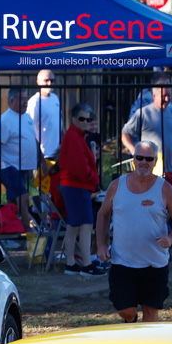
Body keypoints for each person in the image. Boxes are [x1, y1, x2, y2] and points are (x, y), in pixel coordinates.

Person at [96, 140, 172, 323]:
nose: (144, 162)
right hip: (123, 262)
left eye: (149, 158)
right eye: (140, 158)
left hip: (155, 264)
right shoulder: (117, 186)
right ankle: (131, 321)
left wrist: (171, 238)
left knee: (151, 314)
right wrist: (101, 244)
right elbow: (103, 215)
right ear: (133, 159)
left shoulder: (164, 188)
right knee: (125, 310)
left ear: (155, 161)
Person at [0, 88, 49, 230]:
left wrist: (43, 161)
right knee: (23, 196)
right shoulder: (4, 120)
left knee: (13, 200)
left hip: (22, 167)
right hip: (7, 165)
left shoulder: (27, 117)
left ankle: (10, 228)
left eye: (26, 98)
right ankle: (28, 230)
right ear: (12, 101)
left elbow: (34, 140)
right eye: (22, 99)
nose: (26, 102)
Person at [58, 103, 105, 277]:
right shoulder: (74, 137)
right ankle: (86, 263)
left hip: (73, 186)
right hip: (77, 186)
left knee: (74, 225)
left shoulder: (75, 136)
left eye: (88, 119)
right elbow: (80, 168)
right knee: (86, 224)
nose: (86, 122)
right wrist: (93, 180)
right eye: (82, 119)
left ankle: (71, 262)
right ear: (74, 119)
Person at [121, 82, 172, 190]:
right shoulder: (143, 113)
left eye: (169, 96)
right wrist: (133, 149)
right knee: (148, 202)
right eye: (164, 96)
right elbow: (125, 133)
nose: (167, 99)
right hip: (149, 170)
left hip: (169, 169)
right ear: (154, 96)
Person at [26, 70, 62, 160]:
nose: (49, 83)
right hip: (42, 154)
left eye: (52, 80)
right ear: (38, 82)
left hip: (57, 153)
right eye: (46, 80)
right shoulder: (35, 102)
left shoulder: (55, 98)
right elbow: (28, 130)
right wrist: (39, 156)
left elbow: (59, 123)